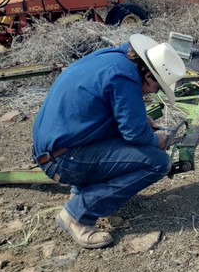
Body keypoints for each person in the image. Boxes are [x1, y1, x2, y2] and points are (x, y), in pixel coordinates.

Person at [32, 34, 186, 249]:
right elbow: (135, 135)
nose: (154, 93)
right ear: (149, 75)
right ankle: (77, 215)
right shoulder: (124, 78)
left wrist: (140, 119)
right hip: (62, 159)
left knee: (130, 146)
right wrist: (156, 138)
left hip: (55, 147)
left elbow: (105, 108)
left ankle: (84, 194)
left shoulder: (115, 58)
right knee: (157, 162)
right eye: (157, 88)